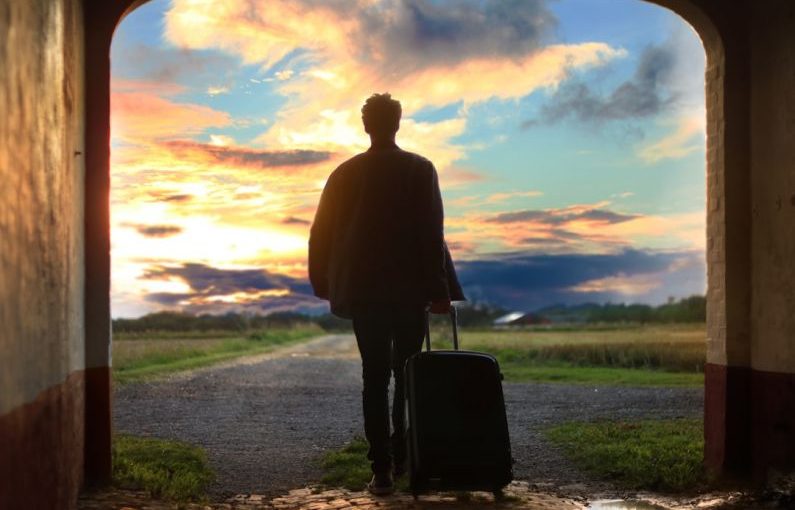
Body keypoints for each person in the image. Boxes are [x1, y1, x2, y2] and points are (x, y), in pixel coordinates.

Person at [308, 93, 465, 495]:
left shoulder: (343, 174)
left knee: (373, 378)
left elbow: (320, 232)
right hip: (410, 291)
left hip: (364, 293)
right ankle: (403, 458)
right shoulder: (420, 169)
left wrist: (324, 283)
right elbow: (432, 235)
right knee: (408, 374)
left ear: (366, 126)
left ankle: (381, 472)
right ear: (398, 123)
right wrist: (439, 290)